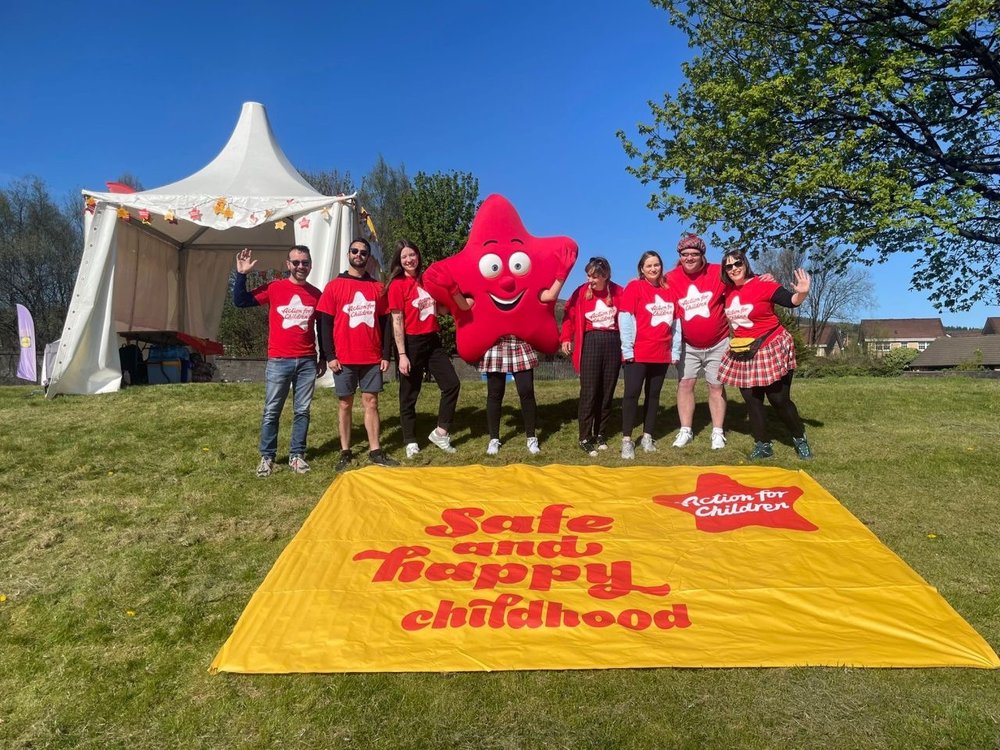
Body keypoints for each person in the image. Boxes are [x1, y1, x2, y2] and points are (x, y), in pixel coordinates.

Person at [232, 245, 325, 478]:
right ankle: (267, 457)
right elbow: (241, 302)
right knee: (272, 411)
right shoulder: (275, 288)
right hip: (279, 360)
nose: (300, 266)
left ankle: (297, 455)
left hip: (306, 361)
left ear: (310, 265)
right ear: (288, 265)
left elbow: (322, 329)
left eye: (305, 262)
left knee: (302, 410)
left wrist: (324, 357)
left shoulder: (316, 294)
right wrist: (241, 275)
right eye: (296, 262)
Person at [717, 248, 813, 460]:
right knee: (752, 400)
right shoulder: (726, 291)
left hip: (770, 345)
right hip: (744, 350)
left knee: (778, 399)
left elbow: (791, 301)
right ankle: (763, 444)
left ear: (746, 264)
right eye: (729, 266)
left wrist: (802, 292)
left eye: (738, 263)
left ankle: (799, 438)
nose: (734, 269)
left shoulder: (763, 284)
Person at [317, 237, 399, 470]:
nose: (359, 256)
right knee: (345, 404)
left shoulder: (377, 288)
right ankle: (345, 451)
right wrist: (329, 355)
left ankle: (375, 450)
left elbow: (385, 324)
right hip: (343, 358)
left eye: (364, 253)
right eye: (355, 251)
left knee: (371, 402)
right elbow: (324, 323)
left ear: (368, 257)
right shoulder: (334, 286)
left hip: (372, 358)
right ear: (348, 254)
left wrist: (386, 354)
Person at [385, 239, 462, 459]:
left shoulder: (427, 281)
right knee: (409, 395)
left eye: (412, 255)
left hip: (432, 340)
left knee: (452, 384)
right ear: (399, 261)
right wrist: (401, 355)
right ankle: (410, 440)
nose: (409, 260)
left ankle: (440, 432)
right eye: (404, 257)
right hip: (410, 343)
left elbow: (441, 309)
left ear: (418, 256)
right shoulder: (397, 285)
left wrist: (460, 302)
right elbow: (397, 321)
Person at [480, 277, 565, 456]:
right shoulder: (489, 290)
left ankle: (531, 436)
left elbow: (549, 296)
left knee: (526, 392)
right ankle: (494, 438)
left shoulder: (525, 288)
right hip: (496, 345)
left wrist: (561, 274)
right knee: (495, 394)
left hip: (521, 344)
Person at [664, 233, 730, 451]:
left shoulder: (717, 272)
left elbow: (742, 280)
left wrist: (763, 278)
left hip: (718, 341)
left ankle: (718, 432)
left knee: (716, 386)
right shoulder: (671, 278)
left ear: (703, 255)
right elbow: (651, 289)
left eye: (694, 254)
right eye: (685, 254)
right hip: (687, 344)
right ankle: (685, 430)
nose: (689, 258)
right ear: (679, 256)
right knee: (685, 384)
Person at [618, 251, 680, 460]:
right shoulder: (634, 287)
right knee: (631, 395)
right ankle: (627, 440)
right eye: (649, 266)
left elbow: (676, 324)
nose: (653, 269)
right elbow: (625, 318)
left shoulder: (670, 291)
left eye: (657, 265)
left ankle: (647, 436)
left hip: (661, 353)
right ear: (642, 269)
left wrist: (675, 350)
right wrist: (627, 349)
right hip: (638, 352)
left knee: (653, 396)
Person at [560, 256, 624, 456]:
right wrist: (565, 337)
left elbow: (630, 317)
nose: (590, 280)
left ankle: (601, 433)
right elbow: (568, 316)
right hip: (590, 342)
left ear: (606, 276)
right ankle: (585, 437)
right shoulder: (580, 292)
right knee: (589, 391)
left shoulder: (618, 291)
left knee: (607, 391)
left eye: (595, 277)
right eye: (588, 276)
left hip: (613, 341)